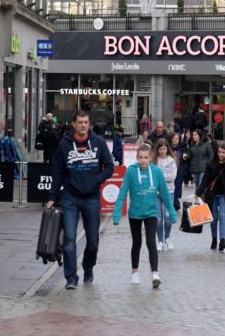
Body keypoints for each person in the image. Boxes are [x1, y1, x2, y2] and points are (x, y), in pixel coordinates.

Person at [47, 110, 114, 290]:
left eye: (86, 122)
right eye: (80, 122)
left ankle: (88, 267)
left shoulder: (98, 142)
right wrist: (52, 197)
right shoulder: (64, 144)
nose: (83, 125)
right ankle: (71, 277)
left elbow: (109, 167)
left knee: (92, 241)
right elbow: (58, 172)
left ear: (89, 124)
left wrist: (96, 180)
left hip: (91, 198)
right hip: (70, 197)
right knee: (69, 238)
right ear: (74, 124)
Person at [113, 144, 177, 288]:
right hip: (135, 213)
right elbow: (122, 193)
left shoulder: (156, 172)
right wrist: (116, 214)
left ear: (150, 158)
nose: (143, 160)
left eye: (146, 158)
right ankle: (135, 271)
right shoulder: (131, 172)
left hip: (151, 212)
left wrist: (172, 213)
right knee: (137, 242)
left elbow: (166, 195)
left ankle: (155, 273)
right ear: (136, 158)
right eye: (140, 158)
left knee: (150, 241)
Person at [196, 143, 225, 252]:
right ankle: (214, 239)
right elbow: (205, 180)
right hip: (212, 195)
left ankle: (222, 240)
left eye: (223, 152)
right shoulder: (211, 164)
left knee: (222, 216)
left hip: (224, 195)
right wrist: (198, 193)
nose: (221, 154)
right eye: (219, 152)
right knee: (213, 218)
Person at [152, 138, 178, 251]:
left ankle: (167, 237)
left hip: (169, 191)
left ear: (167, 148)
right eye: (160, 149)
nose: (162, 151)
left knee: (168, 216)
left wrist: (160, 176)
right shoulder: (153, 161)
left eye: (164, 148)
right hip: (156, 192)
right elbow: (153, 177)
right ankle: (160, 241)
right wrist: (163, 176)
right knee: (158, 218)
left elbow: (173, 177)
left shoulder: (172, 160)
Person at [170, 133, 188, 210]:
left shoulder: (182, 147)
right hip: (170, 170)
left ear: (179, 139)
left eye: (177, 138)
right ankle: (174, 203)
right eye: (174, 138)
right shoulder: (168, 148)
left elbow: (186, 154)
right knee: (172, 187)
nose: (175, 140)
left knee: (178, 187)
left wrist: (184, 155)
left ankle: (176, 202)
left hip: (180, 170)